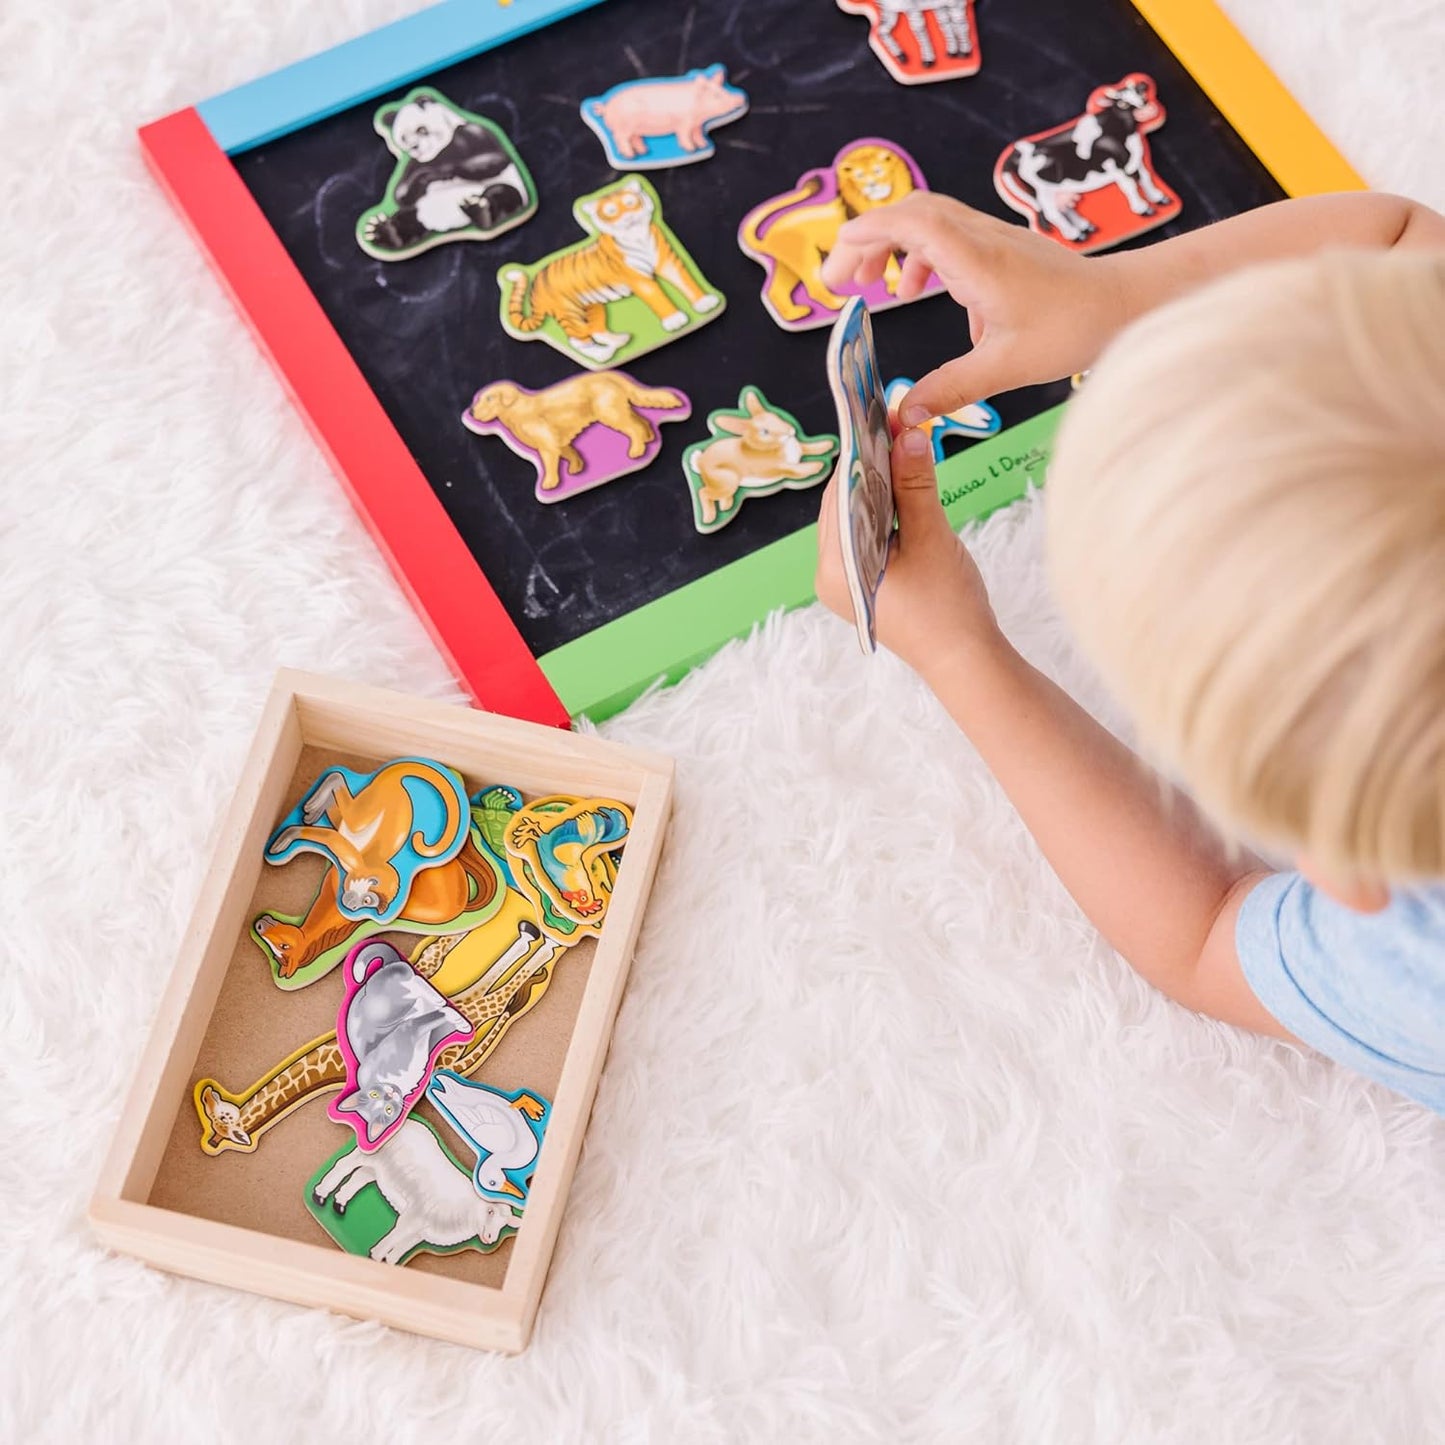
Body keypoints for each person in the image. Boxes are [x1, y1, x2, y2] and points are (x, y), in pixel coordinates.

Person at [815, 192, 1445, 1111]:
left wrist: (960, 652)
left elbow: (1204, 932)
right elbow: (1397, 241)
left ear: (1347, 876)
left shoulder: (1419, 966)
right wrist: (1109, 298)